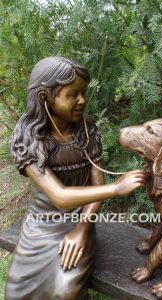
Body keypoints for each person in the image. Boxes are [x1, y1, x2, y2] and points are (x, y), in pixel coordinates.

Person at [5, 56, 147, 300]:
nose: (82, 100)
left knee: (66, 291)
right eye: (73, 94)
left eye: (83, 93)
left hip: (81, 218)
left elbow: (96, 185)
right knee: (16, 292)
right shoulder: (28, 138)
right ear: (44, 97)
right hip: (41, 225)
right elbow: (59, 197)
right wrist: (117, 189)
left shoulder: (86, 130)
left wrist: (82, 229)